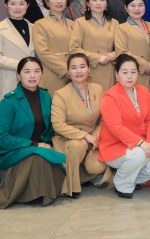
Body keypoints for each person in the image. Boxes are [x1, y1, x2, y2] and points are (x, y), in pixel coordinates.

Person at [0, 57, 66, 209]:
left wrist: (48, 143)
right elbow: (1, 137)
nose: (32, 75)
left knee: (56, 154)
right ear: (18, 75)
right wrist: (34, 144)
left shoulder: (46, 96)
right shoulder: (8, 102)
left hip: (40, 146)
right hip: (12, 151)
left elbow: (50, 127)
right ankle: (31, 194)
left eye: (36, 71)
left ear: (42, 74)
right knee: (40, 157)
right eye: (27, 71)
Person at [98, 54, 150, 199]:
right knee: (138, 154)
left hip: (141, 144)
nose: (129, 76)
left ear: (138, 74)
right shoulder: (110, 97)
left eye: (133, 72)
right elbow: (116, 127)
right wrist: (141, 143)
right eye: (124, 72)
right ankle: (122, 184)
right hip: (115, 146)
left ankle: (130, 178)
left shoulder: (143, 91)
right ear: (116, 75)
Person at [51, 53, 109, 198]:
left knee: (96, 166)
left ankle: (81, 176)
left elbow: (105, 118)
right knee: (79, 145)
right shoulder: (60, 94)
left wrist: (96, 135)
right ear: (68, 72)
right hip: (69, 139)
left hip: (93, 138)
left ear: (89, 69)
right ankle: (71, 187)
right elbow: (58, 125)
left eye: (82, 67)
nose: (78, 71)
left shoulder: (98, 89)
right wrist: (85, 137)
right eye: (74, 68)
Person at [0, 0, 35, 152]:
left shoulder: (34, 27)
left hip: (32, 80)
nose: (17, 7)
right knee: (7, 117)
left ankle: (27, 148)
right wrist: (21, 65)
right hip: (9, 79)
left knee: (28, 116)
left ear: (27, 5)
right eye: (13, 4)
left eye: (21, 3)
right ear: (6, 6)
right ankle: (2, 152)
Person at [69, 0, 117, 92]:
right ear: (88, 3)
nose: (98, 3)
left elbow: (120, 46)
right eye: (94, 0)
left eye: (102, 0)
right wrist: (97, 58)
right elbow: (74, 49)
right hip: (91, 68)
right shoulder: (80, 22)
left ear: (106, 4)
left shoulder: (114, 23)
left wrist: (115, 53)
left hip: (109, 69)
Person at [32, 0, 75, 96]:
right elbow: (42, 53)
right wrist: (65, 70)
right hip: (53, 72)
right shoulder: (40, 24)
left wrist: (75, 69)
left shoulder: (73, 24)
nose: (59, 1)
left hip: (75, 73)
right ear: (47, 2)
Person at [115, 0, 150, 90]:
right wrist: (144, 65)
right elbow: (122, 52)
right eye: (132, 6)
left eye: (140, 5)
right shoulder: (121, 28)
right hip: (132, 72)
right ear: (126, 8)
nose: (137, 9)